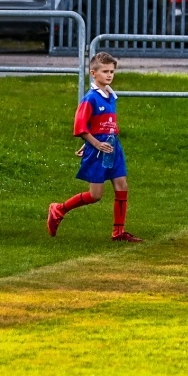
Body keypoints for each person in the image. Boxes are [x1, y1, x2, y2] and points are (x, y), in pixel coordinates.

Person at [48, 53, 141, 242]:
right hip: (99, 149)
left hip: (113, 146)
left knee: (122, 186)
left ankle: (118, 232)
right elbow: (80, 127)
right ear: (93, 73)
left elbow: (102, 124)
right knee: (95, 195)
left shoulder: (111, 95)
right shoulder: (90, 99)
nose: (109, 75)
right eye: (105, 71)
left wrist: (100, 140)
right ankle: (59, 209)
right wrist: (94, 144)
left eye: (112, 72)